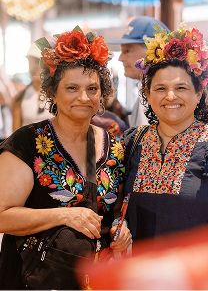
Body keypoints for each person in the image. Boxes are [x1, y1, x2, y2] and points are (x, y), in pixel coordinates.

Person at [0, 27, 131, 289]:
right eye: (72, 88)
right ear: (53, 93)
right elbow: (2, 215)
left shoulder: (114, 146)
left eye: (92, 88)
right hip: (33, 279)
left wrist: (121, 229)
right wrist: (63, 216)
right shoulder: (28, 143)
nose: (84, 97)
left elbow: (114, 211)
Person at [123, 25, 208, 286]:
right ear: (147, 95)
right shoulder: (132, 142)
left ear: (198, 94)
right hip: (141, 280)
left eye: (181, 88)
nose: (170, 96)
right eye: (160, 89)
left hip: (202, 281)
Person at [109, 16, 170, 127]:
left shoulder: (165, 98)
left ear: (154, 51)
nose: (120, 58)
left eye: (127, 51)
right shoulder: (146, 92)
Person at [12, 43, 52, 131]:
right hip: (25, 144)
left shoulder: (57, 95)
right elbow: (14, 137)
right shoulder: (19, 98)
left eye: (38, 62)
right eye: (30, 62)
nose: (33, 67)